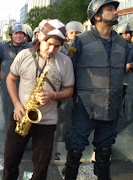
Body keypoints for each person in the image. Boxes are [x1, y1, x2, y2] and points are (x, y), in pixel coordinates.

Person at [63, 0, 133, 180]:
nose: (115, 12)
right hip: (85, 106)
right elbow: (69, 69)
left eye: (115, 9)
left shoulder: (122, 43)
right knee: (75, 148)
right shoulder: (80, 41)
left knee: (104, 150)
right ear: (96, 15)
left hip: (111, 106)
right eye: (110, 9)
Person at [3, 19, 74, 180]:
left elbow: (69, 91)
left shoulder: (65, 61)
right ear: (40, 38)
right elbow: (10, 79)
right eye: (49, 44)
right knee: (10, 163)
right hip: (21, 115)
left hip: (47, 121)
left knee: (41, 169)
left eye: (57, 46)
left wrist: (54, 95)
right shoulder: (24, 55)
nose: (52, 49)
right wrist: (16, 104)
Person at [0, 22, 32, 132]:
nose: (19, 36)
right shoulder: (3, 47)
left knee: (24, 108)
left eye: (21, 33)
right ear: (11, 35)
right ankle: (7, 131)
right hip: (8, 85)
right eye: (16, 33)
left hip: (24, 85)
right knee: (7, 109)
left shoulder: (30, 47)